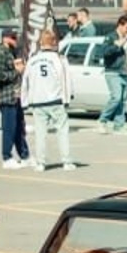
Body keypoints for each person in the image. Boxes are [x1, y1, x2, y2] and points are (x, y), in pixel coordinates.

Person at [21, 28, 75, 171]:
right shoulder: (59, 59)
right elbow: (66, 79)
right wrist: (68, 97)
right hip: (56, 99)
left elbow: (25, 80)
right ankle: (66, 161)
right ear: (54, 42)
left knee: (40, 133)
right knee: (62, 130)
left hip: (38, 101)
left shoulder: (32, 60)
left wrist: (25, 101)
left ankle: (41, 162)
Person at [0, 26, 31, 168]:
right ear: (5, 38)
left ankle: (24, 155)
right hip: (6, 96)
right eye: (13, 37)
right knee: (9, 128)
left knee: (19, 126)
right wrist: (16, 72)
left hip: (15, 95)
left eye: (16, 37)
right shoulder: (0, 53)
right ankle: (6, 157)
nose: (15, 40)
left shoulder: (11, 52)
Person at [97, 14, 127, 133]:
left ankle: (119, 125)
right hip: (113, 71)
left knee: (122, 100)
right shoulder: (111, 37)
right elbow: (104, 52)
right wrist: (117, 45)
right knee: (116, 97)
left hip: (125, 72)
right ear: (120, 25)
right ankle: (103, 120)